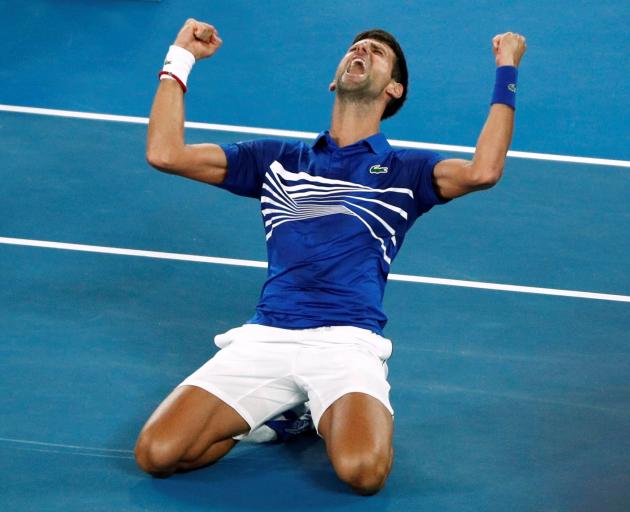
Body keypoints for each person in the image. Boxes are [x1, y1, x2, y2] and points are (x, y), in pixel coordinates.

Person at [135, 18, 527, 495]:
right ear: (335, 77)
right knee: (158, 454)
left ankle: (308, 409)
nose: (362, 50)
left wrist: (506, 69)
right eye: (356, 47)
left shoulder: (408, 171)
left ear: (394, 89)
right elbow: (165, 153)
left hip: (346, 343)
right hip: (266, 337)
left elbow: (484, 171)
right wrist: (182, 57)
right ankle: (282, 415)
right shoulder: (274, 159)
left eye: (377, 53)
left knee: (362, 472)